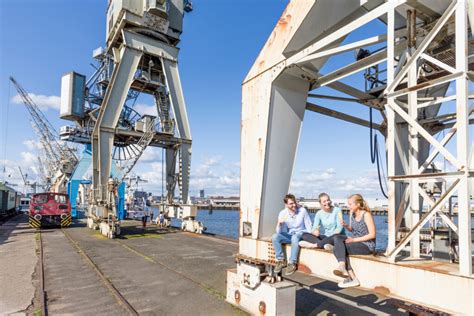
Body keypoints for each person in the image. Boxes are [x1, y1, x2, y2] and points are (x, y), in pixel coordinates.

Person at [331, 194, 376, 288]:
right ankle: (342, 266)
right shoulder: (352, 214)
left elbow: (372, 235)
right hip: (356, 241)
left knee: (338, 248)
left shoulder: (366, 215)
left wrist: (354, 240)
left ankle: (352, 278)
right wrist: (346, 226)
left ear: (358, 204)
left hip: (367, 245)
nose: (348, 206)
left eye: (350, 204)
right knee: (337, 238)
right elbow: (352, 230)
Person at [272, 194, 312, 275]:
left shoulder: (302, 211)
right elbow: (278, 232)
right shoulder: (283, 213)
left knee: (295, 237)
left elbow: (309, 226)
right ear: (286, 205)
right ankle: (281, 260)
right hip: (291, 234)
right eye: (291, 204)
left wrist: (311, 238)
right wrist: (279, 224)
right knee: (275, 237)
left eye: (294, 203)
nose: (293, 205)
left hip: (302, 234)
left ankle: (292, 263)